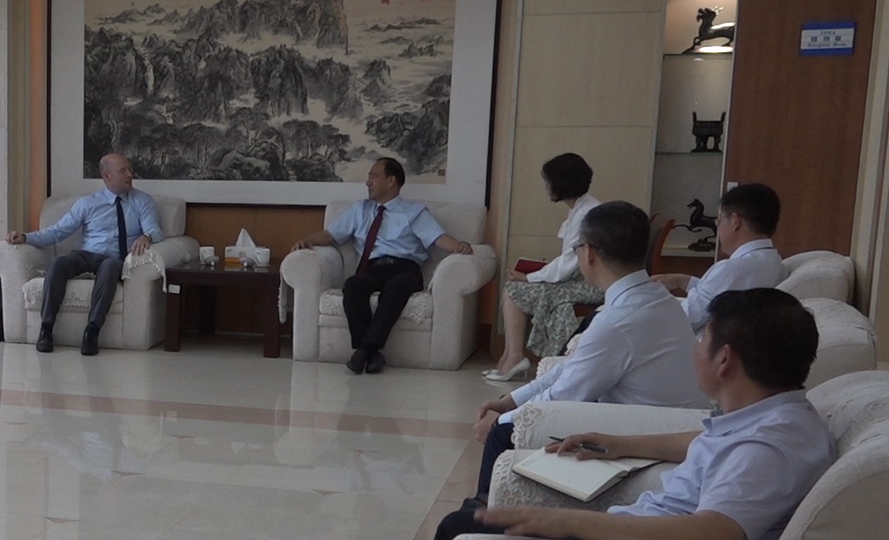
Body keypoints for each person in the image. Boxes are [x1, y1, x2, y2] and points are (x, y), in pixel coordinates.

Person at [388, 288, 834, 540]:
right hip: (640, 536)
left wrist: (567, 523)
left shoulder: (768, 447)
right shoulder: (772, 416)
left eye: (702, 339)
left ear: (725, 360)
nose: (695, 348)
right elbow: (706, 443)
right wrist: (617, 443)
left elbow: (710, 536)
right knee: (457, 526)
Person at [468, 201, 709, 504]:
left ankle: (482, 512)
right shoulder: (654, 296)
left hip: (655, 431)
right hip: (674, 422)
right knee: (512, 419)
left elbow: (565, 395)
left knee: (505, 433)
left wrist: (500, 421)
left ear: (590, 253)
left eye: (578, 247)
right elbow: (574, 367)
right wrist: (510, 401)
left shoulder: (619, 319)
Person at [294, 157, 475, 374]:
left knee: (397, 287)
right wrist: (307, 241)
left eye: (373, 176)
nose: (368, 182)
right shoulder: (360, 210)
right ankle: (371, 353)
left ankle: (364, 350)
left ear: (391, 181)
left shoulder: (413, 211)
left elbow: (438, 237)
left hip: (405, 269)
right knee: (353, 285)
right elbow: (329, 235)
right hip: (373, 269)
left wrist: (459, 246)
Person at [6, 152, 160, 356]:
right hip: (86, 255)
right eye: (123, 171)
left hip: (114, 259)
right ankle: (46, 329)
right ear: (107, 176)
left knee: (111, 267)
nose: (130, 175)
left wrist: (147, 236)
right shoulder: (89, 203)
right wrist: (26, 237)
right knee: (58, 264)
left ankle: (92, 332)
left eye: (130, 170)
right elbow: (57, 231)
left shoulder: (142, 200)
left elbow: (155, 230)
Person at [485, 153, 604, 381]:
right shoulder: (581, 208)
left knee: (514, 289)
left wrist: (529, 277)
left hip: (591, 285)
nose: (547, 187)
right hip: (582, 279)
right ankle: (509, 355)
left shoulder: (586, 214)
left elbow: (569, 262)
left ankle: (514, 357)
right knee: (513, 287)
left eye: (548, 181)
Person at [652, 183, 787, 331]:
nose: (718, 228)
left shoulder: (731, 269)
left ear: (735, 222)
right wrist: (683, 281)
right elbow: (722, 292)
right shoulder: (774, 262)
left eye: (719, 220)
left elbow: (683, 318)